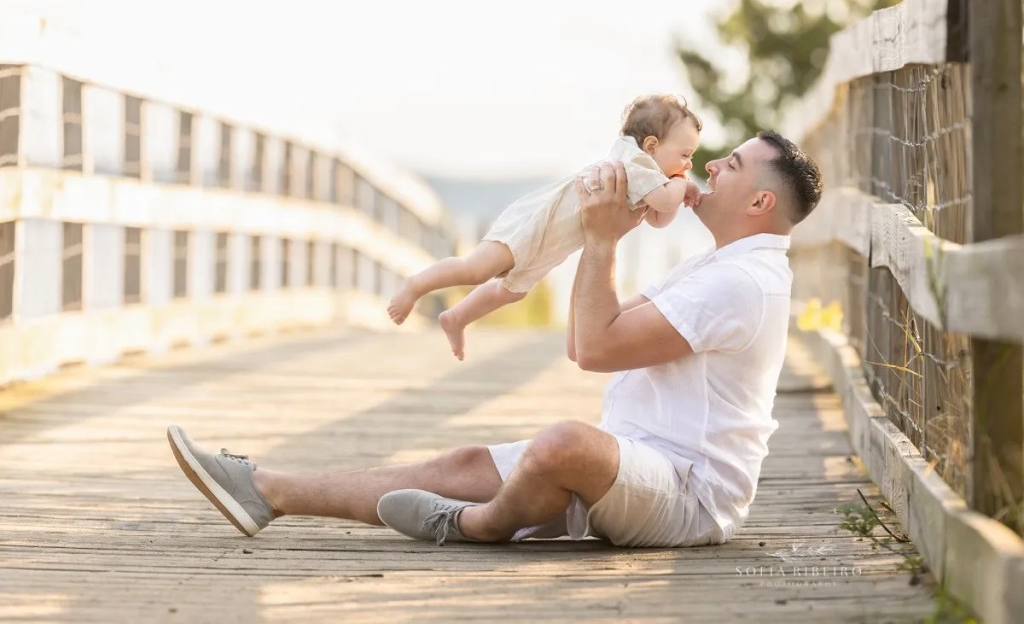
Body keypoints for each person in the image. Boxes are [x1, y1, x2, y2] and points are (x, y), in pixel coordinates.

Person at [167, 130, 822, 549]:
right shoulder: (723, 265)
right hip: (637, 460)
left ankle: (476, 524)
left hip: (689, 493)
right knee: (462, 464)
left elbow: (594, 348)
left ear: (760, 203)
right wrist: (584, 235)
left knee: (562, 444)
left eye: (731, 164)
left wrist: (599, 240)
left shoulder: (743, 280)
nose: (710, 164)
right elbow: (587, 337)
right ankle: (267, 489)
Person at [387, 94, 703, 361]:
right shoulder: (637, 166)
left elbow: (660, 217)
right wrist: (682, 185)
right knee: (476, 269)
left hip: (552, 242)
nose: (688, 165)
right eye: (685, 155)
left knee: (510, 292)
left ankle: (457, 317)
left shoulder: (648, 177)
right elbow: (663, 203)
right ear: (650, 145)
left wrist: (675, 188)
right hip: (534, 222)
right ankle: (415, 286)